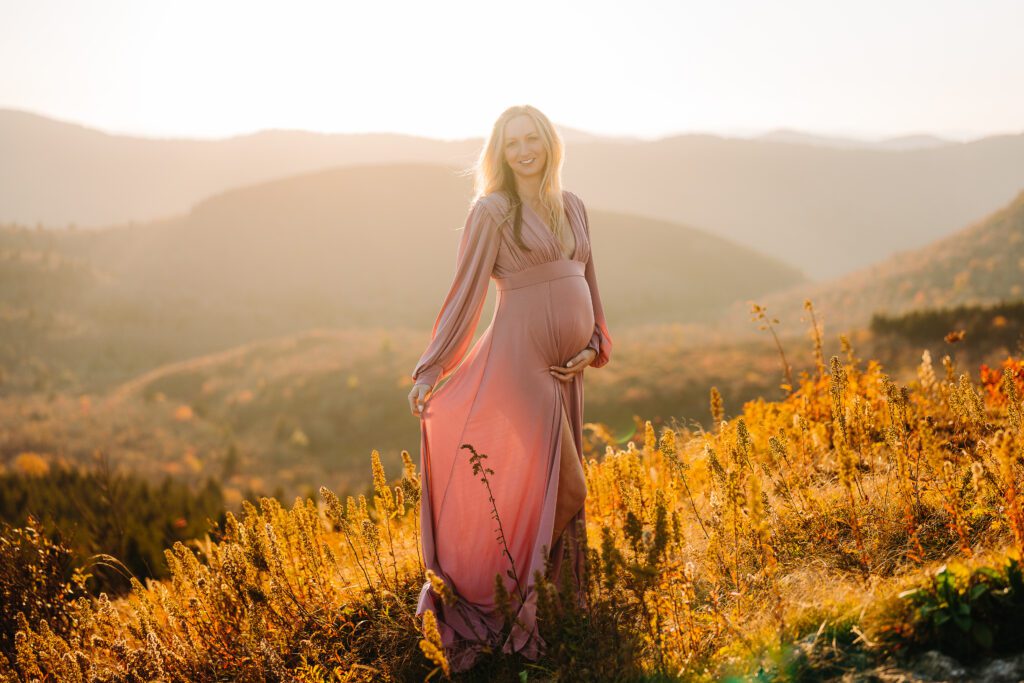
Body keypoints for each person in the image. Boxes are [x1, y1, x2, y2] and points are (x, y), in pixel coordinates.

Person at [407, 104, 613, 672]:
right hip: (521, 366)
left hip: (564, 366)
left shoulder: (572, 206)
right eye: (513, 141)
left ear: (550, 144)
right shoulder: (492, 211)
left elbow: (588, 280)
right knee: (566, 489)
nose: (525, 149)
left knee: (545, 495)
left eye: (533, 138)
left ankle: (556, 611)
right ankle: (503, 608)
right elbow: (465, 294)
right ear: (499, 151)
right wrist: (431, 367)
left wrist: (595, 342)